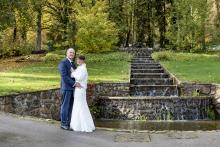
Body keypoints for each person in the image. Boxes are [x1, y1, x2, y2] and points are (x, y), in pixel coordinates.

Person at [70, 55, 95, 132]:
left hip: (80, 89)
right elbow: (74, 75)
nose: (77, 61)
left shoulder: (83, 68)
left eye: (79, 60)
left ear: (82, 61)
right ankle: (77, 124)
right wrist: (74, 73)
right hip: (78, 88)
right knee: (77, 105)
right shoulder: (80, 68)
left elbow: (79, 77)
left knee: (81, 105)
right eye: (77, 60)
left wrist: (73, 72)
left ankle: (84, 125)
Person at [58, 48, 82, 130]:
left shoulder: (73, 64)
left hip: (73, 89)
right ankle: (63, 123)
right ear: (67, 53)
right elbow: (64, 76)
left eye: (73, 53)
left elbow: (75, 76)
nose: (72, 54)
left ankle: (68, 123)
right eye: (70, 52)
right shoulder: (63, 63)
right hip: (66, 88)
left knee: (71, 106)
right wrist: (74, 83)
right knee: (65, 106)